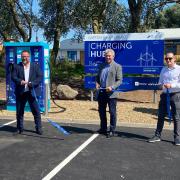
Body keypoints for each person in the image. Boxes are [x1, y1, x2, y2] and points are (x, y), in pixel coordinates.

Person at [148, 52, 180, 145]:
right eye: (166, 59)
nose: (168, 60)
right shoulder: (163, 70)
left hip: (176, 95)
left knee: (176, 117)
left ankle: (177, 138)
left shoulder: (179, 69)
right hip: (165, 95)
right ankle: (157, 135)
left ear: (174, 59)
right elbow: (160, 82)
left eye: (170, 58)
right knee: (161, 116)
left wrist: (171, 85)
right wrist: (160, 86)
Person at [12, 50, 43, 135]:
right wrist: (20, 81)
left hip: (32, 92)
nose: (24, 58)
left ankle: (38, 128)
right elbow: (13, 77)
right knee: (19, 111)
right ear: (21, 57)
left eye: (26, 56)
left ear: (29, 57)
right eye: (23, 56)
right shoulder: (16, 66)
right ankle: (19, 128)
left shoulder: (35, 66)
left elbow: (40, 77)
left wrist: (32, 83)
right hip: (21, 92)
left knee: (36, 111)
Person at [96, 49, 122, 137]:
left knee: (112, 112)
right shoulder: (101, 65)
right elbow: (98, 77)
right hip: (102, 92)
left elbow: (119, 80)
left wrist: (112, 87)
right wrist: (97, 83)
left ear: (113, 57)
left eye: (109, 56)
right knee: (101, 111)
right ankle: (103, 128)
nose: (108, 57)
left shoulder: (117, 66)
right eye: (106, 56)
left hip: (112, 94)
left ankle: (112, 130)